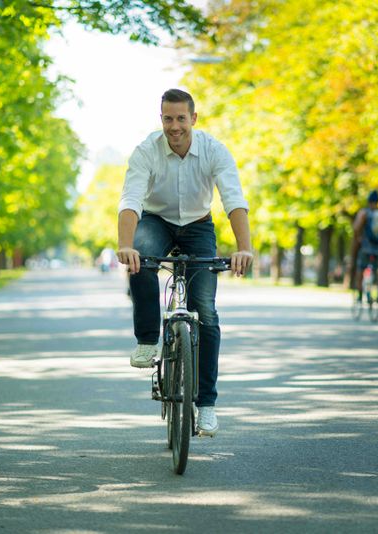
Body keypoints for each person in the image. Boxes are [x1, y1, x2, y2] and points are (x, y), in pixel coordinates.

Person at [117, 88, 253, 437]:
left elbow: (233, 198)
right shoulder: (147, 150)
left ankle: (206, 405)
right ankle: (148, 340)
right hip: (156, 220)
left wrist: (244, 248)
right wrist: (125, 244)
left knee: (205, 311)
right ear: (160, 118)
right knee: (142, 259)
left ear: (193, 118)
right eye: (167, 118)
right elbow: (131, 199)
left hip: (197, 225)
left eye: (180, 118)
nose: (174, 126)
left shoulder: (213, 150)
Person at [352, 190, 378, 303]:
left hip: (366, 247)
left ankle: (359, 295)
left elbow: (356, 228)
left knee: (361, 268)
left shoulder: (364, 213)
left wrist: (358, 238)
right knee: (377, 269)